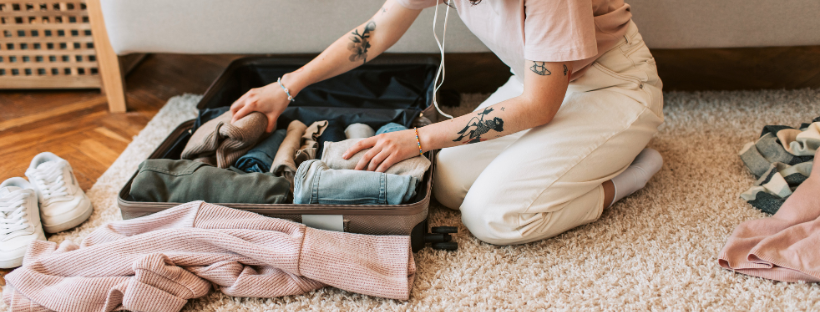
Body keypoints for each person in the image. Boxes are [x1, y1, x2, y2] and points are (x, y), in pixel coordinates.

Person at [229, 0, 665, 245]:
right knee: (450, 184)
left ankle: (631, 173)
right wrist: (287, 86)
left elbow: (538, 107)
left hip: (610, 87)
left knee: (492, 217)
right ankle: (588, 155)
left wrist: (417, 139)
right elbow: (376, 30)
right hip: (535, 80)